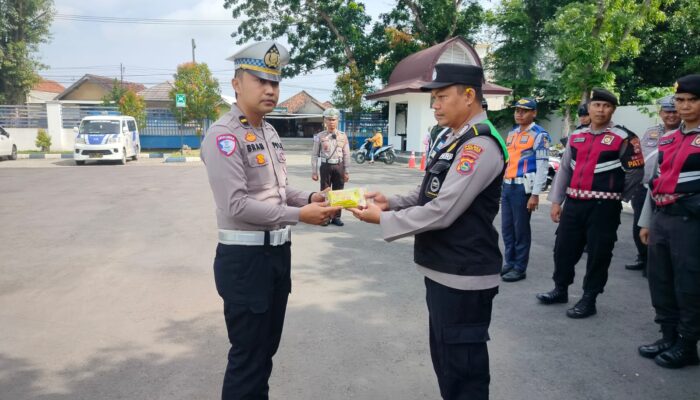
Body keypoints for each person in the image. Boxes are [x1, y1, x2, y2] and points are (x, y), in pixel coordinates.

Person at [350, 63, 508, 400]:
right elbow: (430, 193)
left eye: (441, 97)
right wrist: (390, 201)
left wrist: (383, 220)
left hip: (463, 274)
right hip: (446, 270)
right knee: (448, 365)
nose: (434, 105)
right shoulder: (455, 138)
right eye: (433, 98)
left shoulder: (479, 146)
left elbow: (443, 210)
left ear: (469, 96)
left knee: (464, 373)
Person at [200, 40, 340, 399]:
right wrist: (299, 214)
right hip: (246, 263)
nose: (269, 90)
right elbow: (237, 205)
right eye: (260, 81)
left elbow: (278, 190)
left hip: (276, 258)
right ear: (236, 84)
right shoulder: (224, 136)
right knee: (248, 359)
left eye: (275, 83)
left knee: (264, 356)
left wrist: (310, 197)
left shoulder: (269, 131)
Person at [537, 88, 644, 318]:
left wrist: (616, 195)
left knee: (598, 253)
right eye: (597, 105)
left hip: (604, 208)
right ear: (590, 107)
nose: (601, 110)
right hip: (574, 204)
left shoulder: (625, 137)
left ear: (613, 110)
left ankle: (589, 298)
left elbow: (636, 173)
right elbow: (565, 169)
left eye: (606, 106)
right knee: (563, 249)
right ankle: (560, 289)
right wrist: (556, 201)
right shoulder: (577, 136)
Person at [637, 74, 700, 369]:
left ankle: (687, 345)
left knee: (688, 284)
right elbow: (655, 183)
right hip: (662, 220)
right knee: (660, 280)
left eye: (692, 100)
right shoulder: (668, 138)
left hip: (691, 223)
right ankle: (667, 335)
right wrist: (647, 222)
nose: (685, 107)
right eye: (680, 101)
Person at [625, 95, 680, 274]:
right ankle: (643, 257)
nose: (671, 115)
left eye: (674, 111)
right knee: (639, 226)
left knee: (661, 228)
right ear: (661, 112)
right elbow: (639, 157)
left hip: (670, 190)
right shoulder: (651, 132)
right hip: (644, 187)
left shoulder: (688, 134)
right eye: (667, 111)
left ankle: (657, 265)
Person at [501, 97, 552, 282]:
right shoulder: (512, 133)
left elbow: (542, 166)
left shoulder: (540, 135)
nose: (519, 114)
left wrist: (535, 194)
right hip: (508, 185)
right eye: (517, 110)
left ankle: (520, 267)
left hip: (523, 188)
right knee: (507, 228)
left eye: (524, 110)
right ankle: (510, 262)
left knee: (520, 229)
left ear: (534, 113)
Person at [311, 108, 351, 226]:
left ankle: (336, 217)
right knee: (325, 193)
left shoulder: (343, 136)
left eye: (333, 119)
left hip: (339, 166)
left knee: (339, 192)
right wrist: (314, 171)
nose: (331, 122)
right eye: (329, 119)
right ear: (325, 120)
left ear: (337, 120)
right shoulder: (320, 136)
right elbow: (314, 154)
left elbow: (346, 154)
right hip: (325, 166)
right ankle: (325, 216)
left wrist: (347, 171)